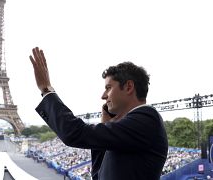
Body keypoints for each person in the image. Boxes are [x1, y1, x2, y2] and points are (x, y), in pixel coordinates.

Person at [29, 47, 168, 180]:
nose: (103, 96)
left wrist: (46, 90)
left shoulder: (147, 119)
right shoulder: (133, 127)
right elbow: (98, 176)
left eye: (108, 88)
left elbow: (75, 133)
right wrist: (106, 124)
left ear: (128, 87)